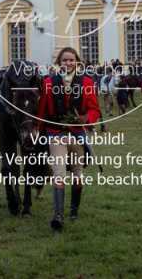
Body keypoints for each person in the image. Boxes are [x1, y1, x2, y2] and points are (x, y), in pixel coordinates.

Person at [36, 47, 101, 232]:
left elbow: (95, 110)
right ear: (59, 62)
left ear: (77, 62)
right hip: (56, 134)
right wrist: (38, 133)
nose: (68, 63)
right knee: (59, 174)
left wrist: (86, 119)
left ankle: (74, 209)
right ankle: (58, 216)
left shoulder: (87, 82)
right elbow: (41, 111)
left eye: (71, 60)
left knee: (78, 176)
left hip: (77, 134)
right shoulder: (48, 83)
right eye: (65, 60)